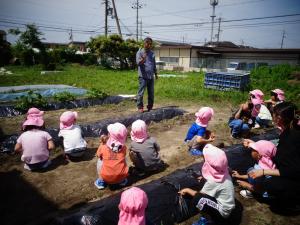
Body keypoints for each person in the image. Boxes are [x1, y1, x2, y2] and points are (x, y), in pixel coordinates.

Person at [248, 102, 300, 211]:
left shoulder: (290, 139)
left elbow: (291, 171)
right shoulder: (291, 131)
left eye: (274, 114)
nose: (272, 116)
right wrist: (255, 144)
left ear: (279, 118)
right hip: (290, 169)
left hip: (294, 178)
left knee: (271, 184)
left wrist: (263, 172)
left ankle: (290, 203)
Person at [179, 144, 235, 222]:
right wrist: (203, 180)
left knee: (199, 199)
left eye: (205, 159)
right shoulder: (224, 172)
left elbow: (200, 194)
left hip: (223, 213)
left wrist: (187, 190)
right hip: (228, 206)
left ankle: (209, 219)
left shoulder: (213, 182)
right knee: (203, 183)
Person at [95, 122, 129, 190]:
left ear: (109, 135)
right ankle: (122, 181)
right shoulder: (124, 147)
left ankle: (101, 182)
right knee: (123, 159)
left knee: (100, 159)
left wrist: (102, 143)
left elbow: (98, 155)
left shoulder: (103, 146)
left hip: (107, 177)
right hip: (121, 177)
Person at [136, 37, 158, 113]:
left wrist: (155, 73)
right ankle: (140, 107)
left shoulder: (152, 53)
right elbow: (138, 63)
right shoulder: (139, 52)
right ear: (144, 43)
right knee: (141, 92)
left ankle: (150, 106)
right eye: (147, 43)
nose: (149, 45)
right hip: (143, 76)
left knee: (151, 93)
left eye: (150, 44)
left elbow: (153, 64)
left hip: (150, 76)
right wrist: (143, 59)